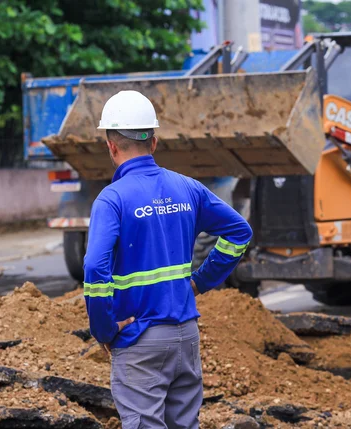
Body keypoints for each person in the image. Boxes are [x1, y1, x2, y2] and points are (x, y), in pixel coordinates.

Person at [83, 90, 253, 429]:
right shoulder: (187, 188)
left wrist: (103, 328)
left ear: (111, 146)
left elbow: (93, 267)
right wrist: (200, 282)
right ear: (154, 142)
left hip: (139, 337)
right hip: (185, 335)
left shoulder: (112, 199)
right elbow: (240, 232)